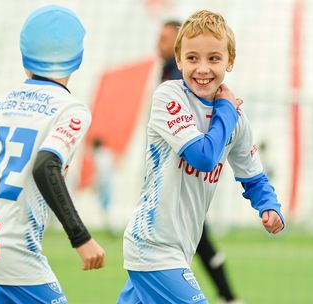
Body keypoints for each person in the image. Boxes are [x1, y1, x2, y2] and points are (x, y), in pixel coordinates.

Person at [117, 10, 285, 304]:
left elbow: (253, 174)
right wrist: (226, 111)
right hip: (153, 245)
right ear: (178, 59)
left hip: (181, 248)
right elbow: (203, 157)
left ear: (230, 61)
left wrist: (268, 205)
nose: (203, 68)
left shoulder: (234, 116)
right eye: (192, 58)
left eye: (214, 58)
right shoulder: (169, 97)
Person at [0, 5, 105, 303]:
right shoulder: (71, 109)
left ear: (24, 57)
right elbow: (45, 166)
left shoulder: (5, 101)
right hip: (14, 249)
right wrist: (81, 238)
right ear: (77, 59)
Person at [157, 19, 242, 304]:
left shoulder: (178, 79)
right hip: (172, 188)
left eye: (165, 39)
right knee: (192, 245)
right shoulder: (168, 83)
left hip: (189, 178)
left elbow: (204, 156)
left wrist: (227, 109)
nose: (159, 43)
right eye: (193, 58)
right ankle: (228, 295)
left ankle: (228, 294)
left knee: (197, 242)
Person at [92, 138, 115, 232]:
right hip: (109, 180)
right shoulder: (107, 153)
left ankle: (111, 227)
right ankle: (109, 227)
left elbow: (101, 171)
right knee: (107, 204)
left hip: (104, 181)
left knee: (105, 205)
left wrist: (96, 184)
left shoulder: (99, 155)